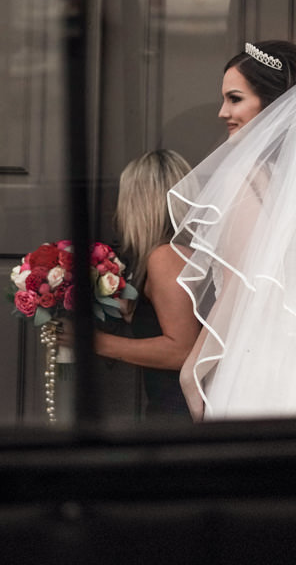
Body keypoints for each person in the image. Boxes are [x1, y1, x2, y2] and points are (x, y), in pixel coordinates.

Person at [169, 39, 296, 421]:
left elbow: (236, 288)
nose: (222, 112)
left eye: (234, 99)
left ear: (273, 104)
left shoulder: (246, 178)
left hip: (253, 364)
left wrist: (192, 368)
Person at [61, 150, 200, 420]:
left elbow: (183, 350)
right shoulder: (177, 253)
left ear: (138, 203)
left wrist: (93, 341)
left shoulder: (166, 257)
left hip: (178, 412)